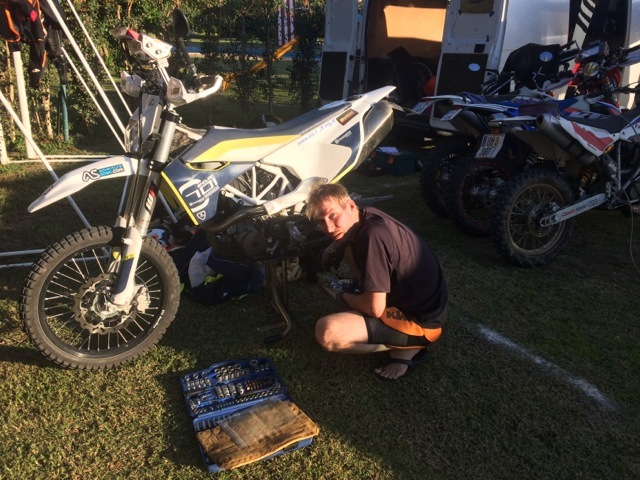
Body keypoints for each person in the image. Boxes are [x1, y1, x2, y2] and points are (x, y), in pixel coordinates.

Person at [305, 183, 448, 380]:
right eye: (321, 221)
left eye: (332, 215)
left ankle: (410, 348)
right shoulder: (367, 216)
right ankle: (370, 300)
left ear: (350, 205)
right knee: (346, 244)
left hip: (422, 322)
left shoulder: (373, 236)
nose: (328, 228)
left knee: (327, 332)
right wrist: (335, 247)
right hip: (421, 302)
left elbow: (374, 309)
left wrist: (343, 296)